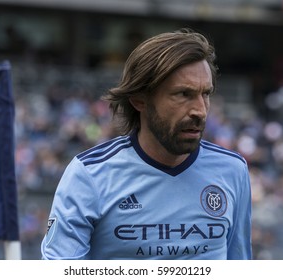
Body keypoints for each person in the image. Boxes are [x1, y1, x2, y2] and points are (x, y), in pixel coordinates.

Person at [41, 28, 252, 260]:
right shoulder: (90, 175)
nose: (200, 111)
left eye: (206, 94)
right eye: (183, 94)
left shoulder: (232, 170)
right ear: (140, 100)